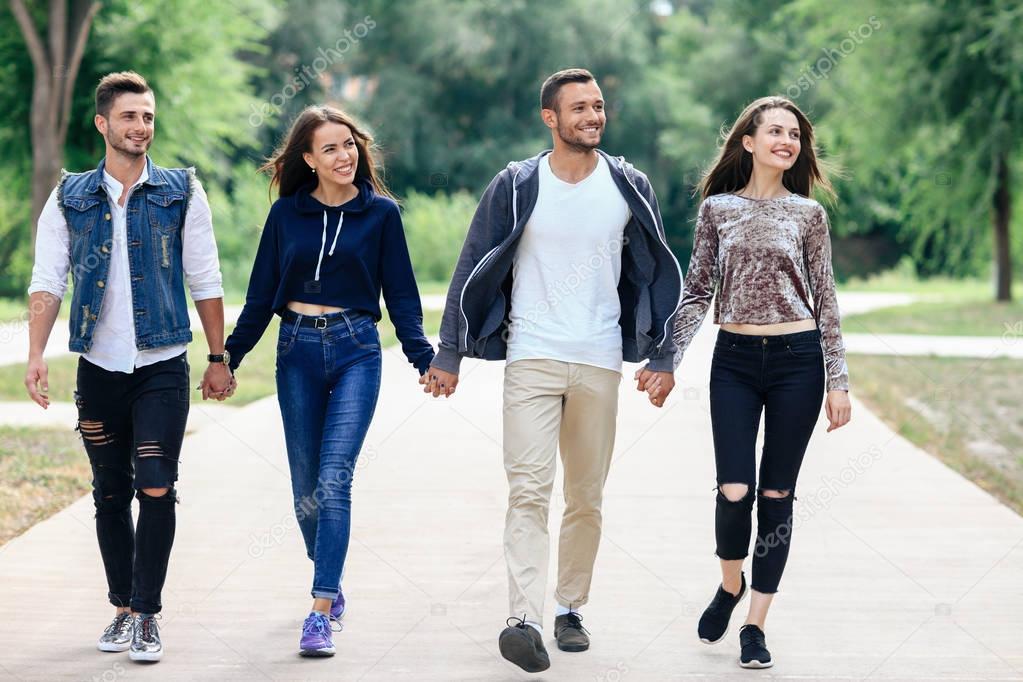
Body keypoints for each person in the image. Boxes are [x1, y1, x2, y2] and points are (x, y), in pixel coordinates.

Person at [424, 68, 682, 673]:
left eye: (599, 107)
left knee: (586, 497)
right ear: (551, 118)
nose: (593, 117)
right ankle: (524, 619)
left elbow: (659, 270)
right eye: (580, 109)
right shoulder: (517, 184)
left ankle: (570, 607)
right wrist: (450, 350)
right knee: (529, 491)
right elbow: (472, 261)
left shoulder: (629, 184)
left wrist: (663, 354)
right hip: (531, 356)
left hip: (598, 360)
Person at [24, 71, 232, 663]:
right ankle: (121, 607)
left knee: (155, 483)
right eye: (129, 117)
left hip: (162, 362)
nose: (141, 126)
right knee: (110, 492)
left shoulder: (181, 190)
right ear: (103, 123)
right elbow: (47, 281)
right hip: (98, 366)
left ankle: (147, 615)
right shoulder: (69, 196)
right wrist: (36, 355)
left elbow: (206, 278)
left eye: (148, 116)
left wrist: (217, 358)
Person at [224, 105, 435, 657]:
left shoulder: (382, 215)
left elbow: (404, 297)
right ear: (309, 159)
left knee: (334, 479)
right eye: (331, 149)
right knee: (305, 492)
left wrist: (423, 358)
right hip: (295, 350)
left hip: (357, 351)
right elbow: (259, 297)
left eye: (350, 145)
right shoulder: (286, 216)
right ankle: (332, 576)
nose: (345, 156)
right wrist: (229, 357)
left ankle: (320, 609)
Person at [650, 95, 852, 669]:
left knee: (776, 493)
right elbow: (696, 293)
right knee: (734, 488)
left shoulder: (808, 216)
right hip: (734, 361)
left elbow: (827, 301)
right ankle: (729, 583)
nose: (786, 142)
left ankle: (756, 625)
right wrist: (667, 360)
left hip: (799, 361)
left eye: (794, 135)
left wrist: (838, 379)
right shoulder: (717, 210)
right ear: (749, 142)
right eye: (775, 132)